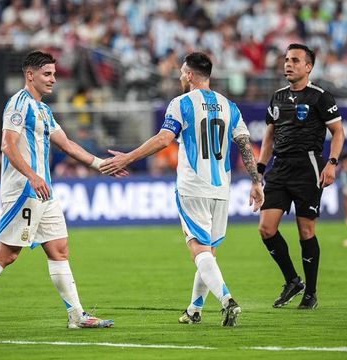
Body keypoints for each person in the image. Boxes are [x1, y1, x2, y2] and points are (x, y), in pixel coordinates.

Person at [0, 51, 122, 330]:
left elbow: (66, 144)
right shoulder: (19, 105)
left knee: (59, 249)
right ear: (30, 75)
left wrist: (100, 164)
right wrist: (31, 176)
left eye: (54, 74)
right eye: (47, 74)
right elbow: (8, 146)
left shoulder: (43, 109)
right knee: (8, 253)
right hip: (24, 190)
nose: (53, 79)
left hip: (44, 190)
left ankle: (76, 315)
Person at [100, 52, 264, 327]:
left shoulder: (181, 103)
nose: (179, 76)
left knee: (198, 249)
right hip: (222, 188)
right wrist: (257, 181)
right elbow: (245, 145)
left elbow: (165, 139)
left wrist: (127, 157)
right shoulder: (229, 106)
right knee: (208, 251)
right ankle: (194, 309)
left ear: (189, 75)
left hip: (192, 186)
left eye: (180, 72)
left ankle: (227, 300)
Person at [257, 43, 345, 310]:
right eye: (286, 60)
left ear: (308, 67)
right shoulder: (277, 97)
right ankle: (293, 280)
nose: (288, 64)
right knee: (266, 228)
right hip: (280, 168)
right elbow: (269, 136)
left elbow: (338, 133)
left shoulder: (321, 97)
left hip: (308, 166)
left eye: (295, 60)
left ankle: (311, 292)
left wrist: (331, 163)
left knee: (306, 231)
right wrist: (259, 170)